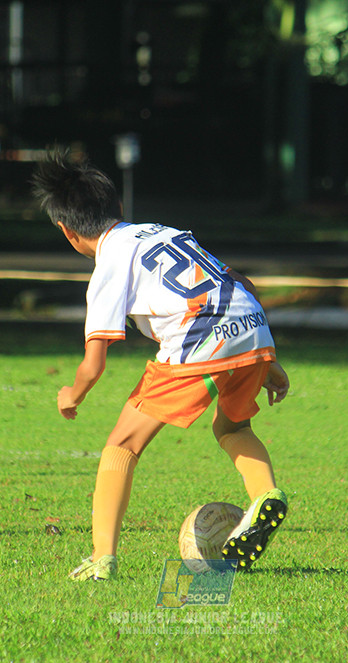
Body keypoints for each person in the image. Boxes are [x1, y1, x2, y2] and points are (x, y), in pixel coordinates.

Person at [31, 150, 289, 581]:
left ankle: (102, 559)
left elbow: (94, 365)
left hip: (200, 336)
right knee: (232, 427)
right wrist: (268, 357)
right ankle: (266, 495)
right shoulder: (162, 232)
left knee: (122, 445)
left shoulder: (109, 264)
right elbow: (240, 282)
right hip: (252, 324)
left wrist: (71, 395)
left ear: (67, 231)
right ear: (117, 206)